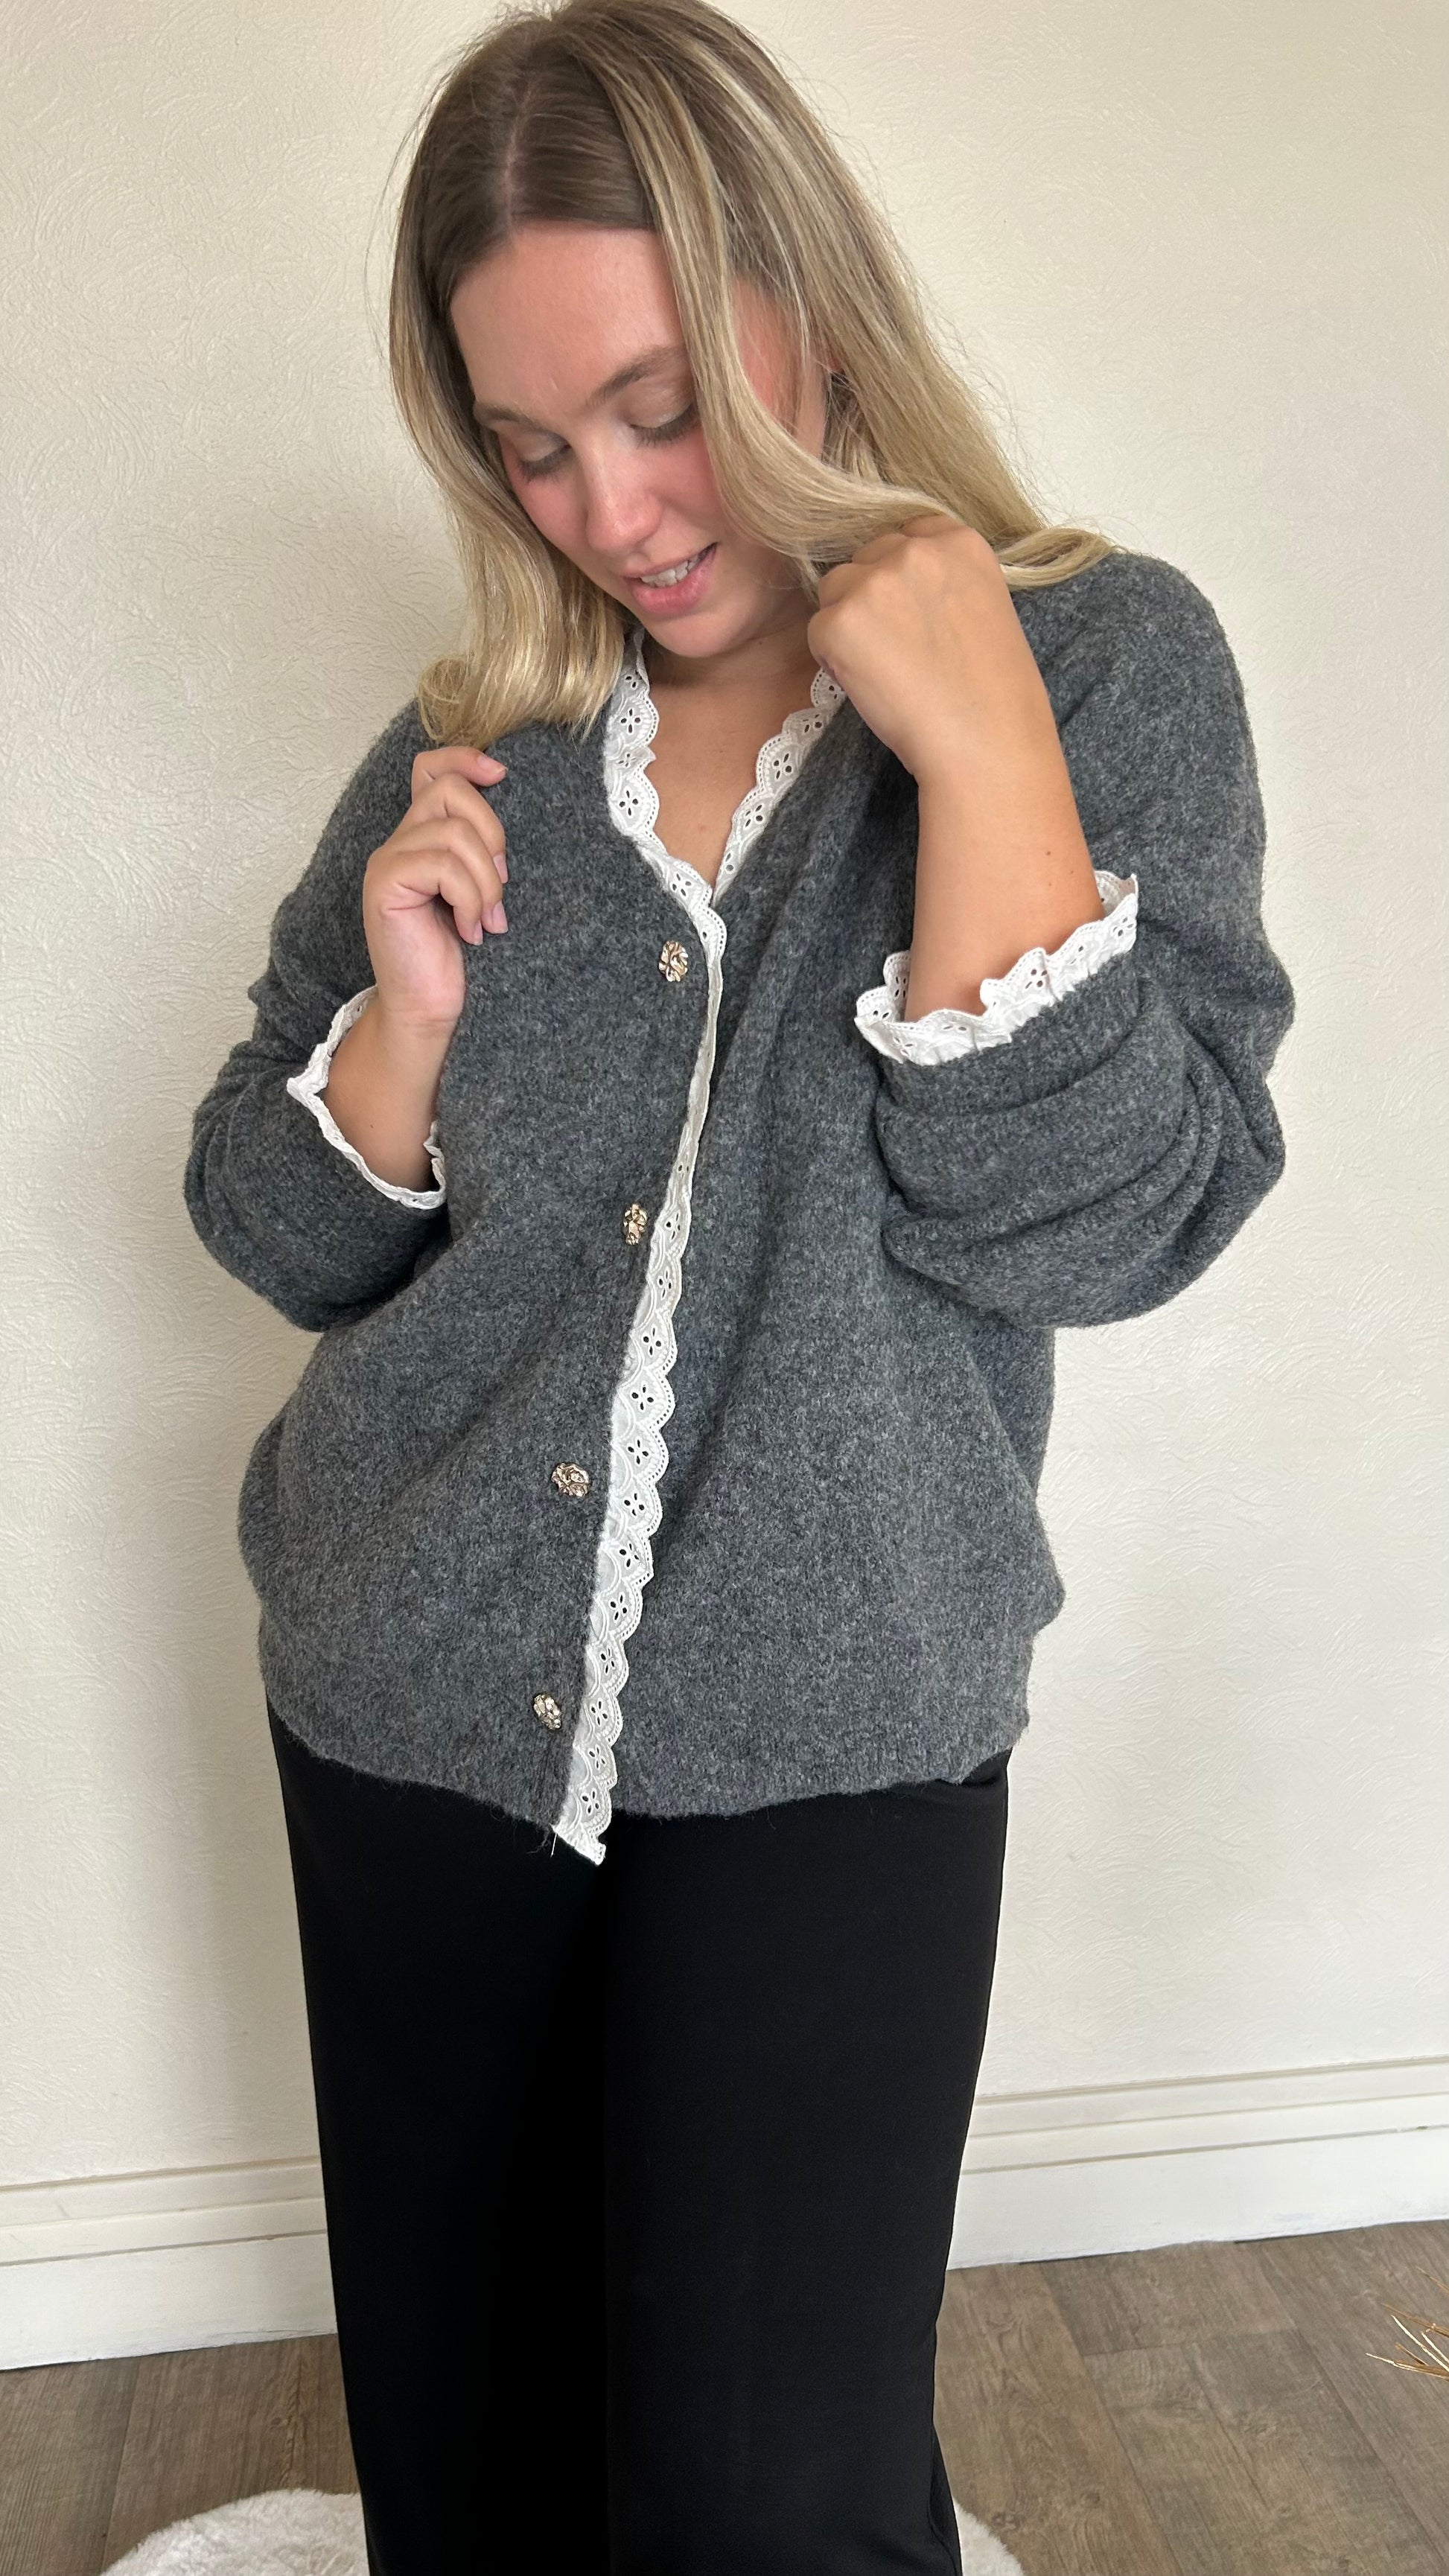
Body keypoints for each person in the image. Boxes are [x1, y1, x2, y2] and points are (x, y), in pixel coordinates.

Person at [182, 1, 1296, 2568]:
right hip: (400, 1681)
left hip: (837, 1714)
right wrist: (399, 1030)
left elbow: (1112, 1224)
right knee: (473, 2455)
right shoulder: (481, 738)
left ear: (802, 294)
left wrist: (985, 767)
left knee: (770, 2500)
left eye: (658, 405)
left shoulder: (1099, 667)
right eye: (529, 444)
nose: (610, 508)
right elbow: (273, 1229)